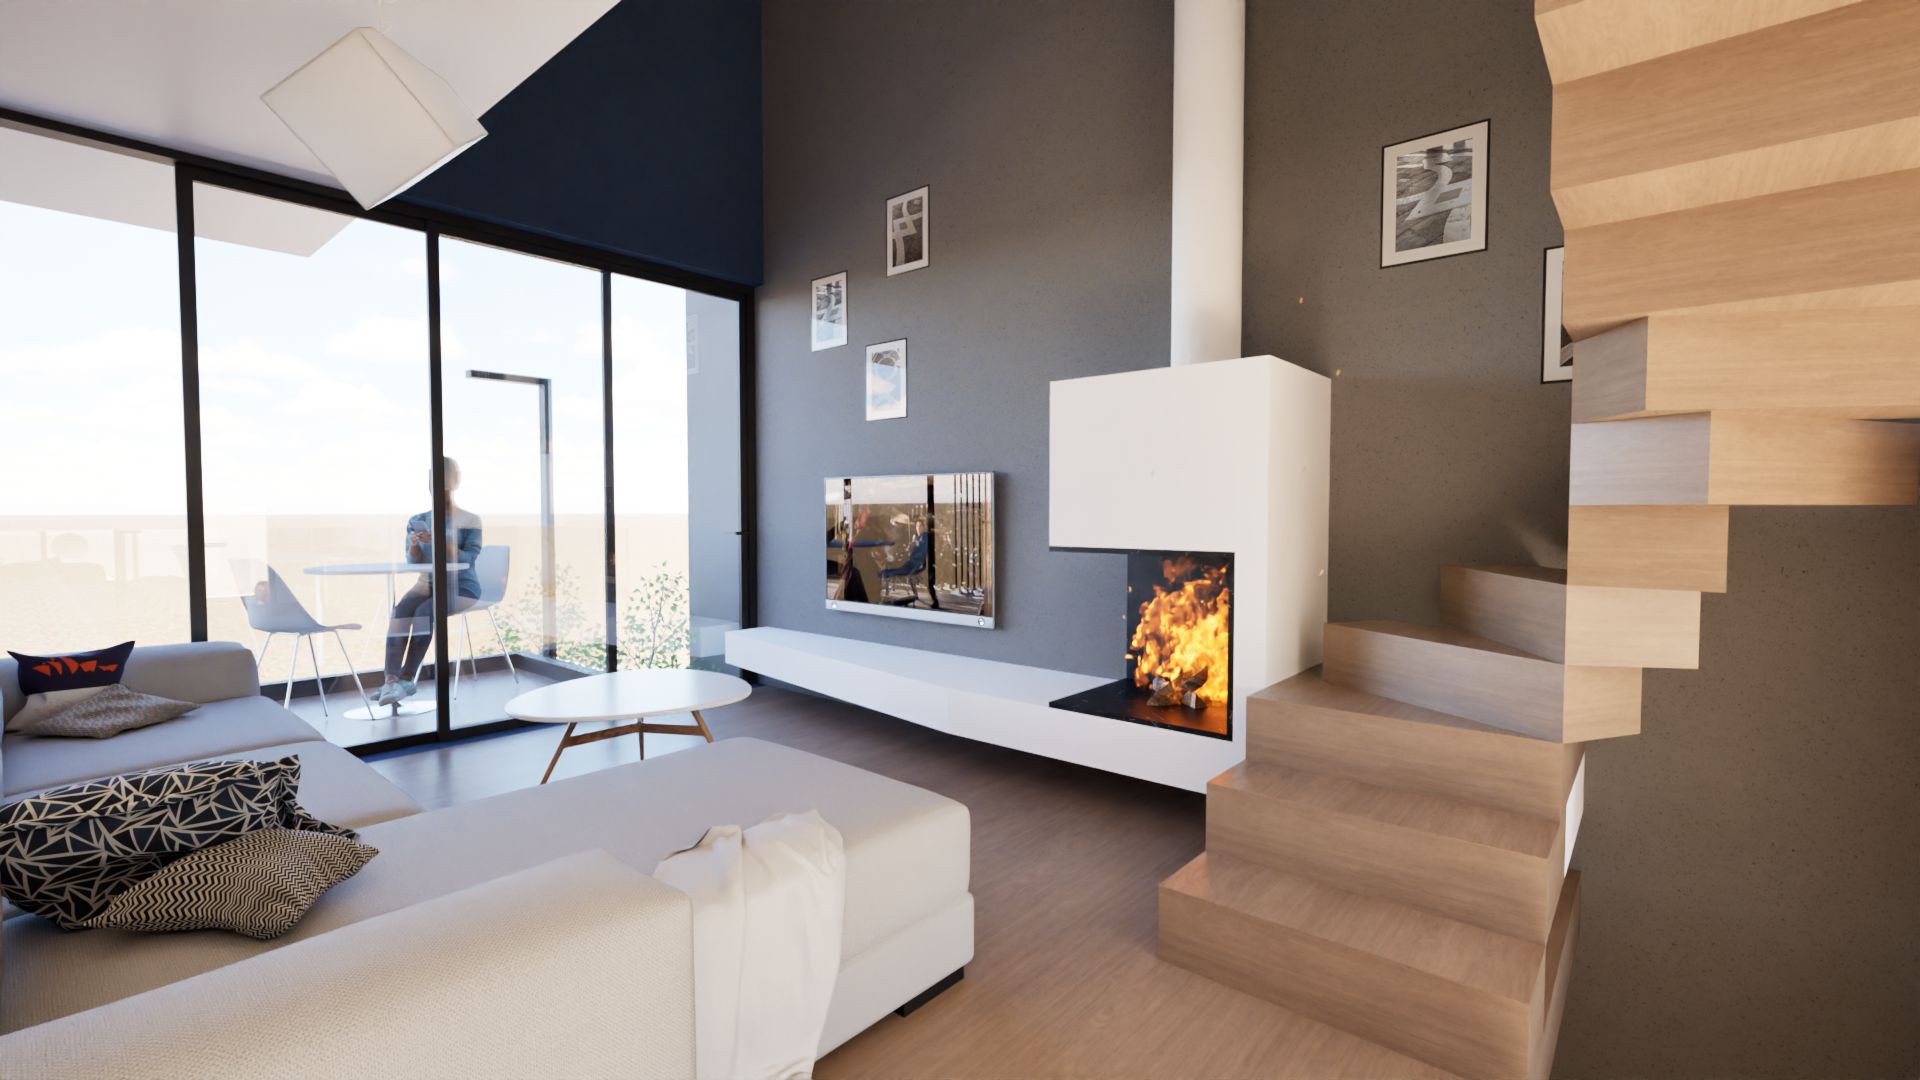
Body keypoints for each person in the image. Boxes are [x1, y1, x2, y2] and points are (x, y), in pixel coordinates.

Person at [372, 458, 482, 706]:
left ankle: (407, 679)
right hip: (427, 583)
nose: (439, 485)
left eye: (445, 478)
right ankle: (391, 681)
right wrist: (414, 545)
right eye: (435, 479)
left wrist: (441, 543)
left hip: (461, 585)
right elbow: (414, 562)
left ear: (456, 482)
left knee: (424, 611)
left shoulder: (470, 520)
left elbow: (469, 559)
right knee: (401, 611)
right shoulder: (418, 519)